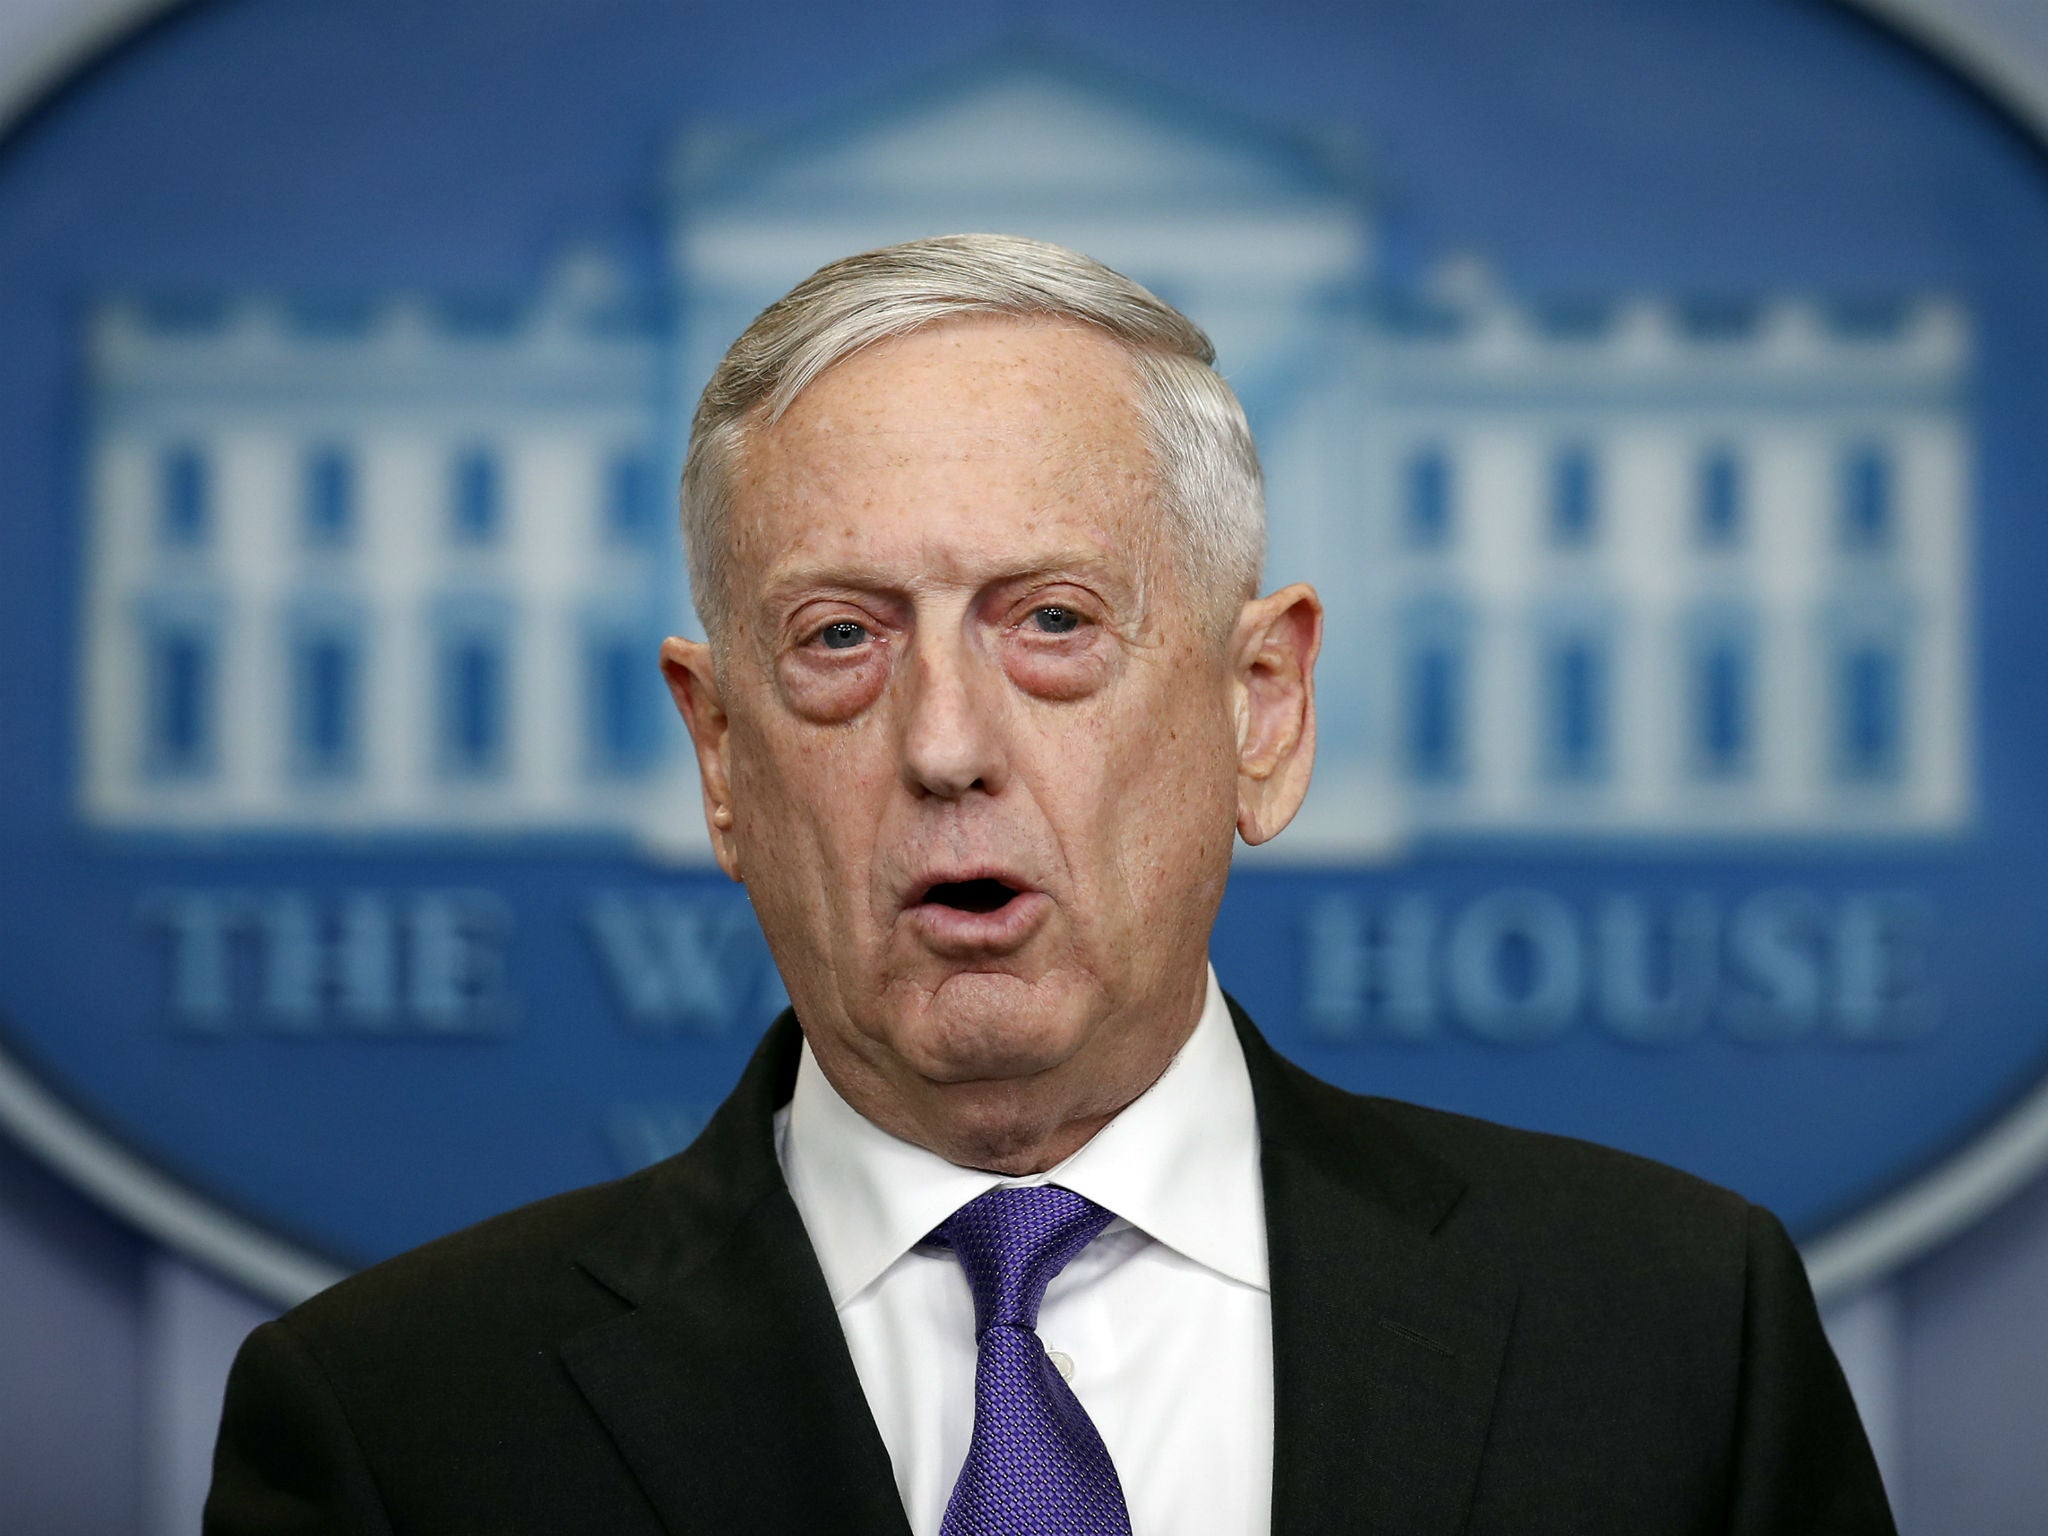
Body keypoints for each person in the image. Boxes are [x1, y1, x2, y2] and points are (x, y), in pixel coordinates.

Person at [204, 234, 1895, 1535]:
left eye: (1055, 624)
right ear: (721, 755)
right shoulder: (395, 1424)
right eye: (841, 640)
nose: (948, 744)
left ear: (1262, 711)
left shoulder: (1675, 1338)